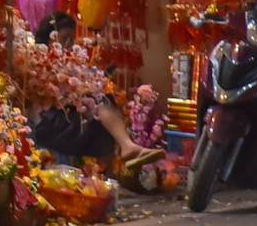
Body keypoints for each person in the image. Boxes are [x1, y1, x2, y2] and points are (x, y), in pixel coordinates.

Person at [24, 12, 164, 170]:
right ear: (49, 38)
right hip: (48, 123)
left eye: (72, 38)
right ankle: (124, 151)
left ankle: (114, 165)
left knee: (103, 106)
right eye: (64, 38)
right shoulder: (37, 60)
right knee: (99, 109)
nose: (69, 43)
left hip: (65, 118)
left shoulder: (69, 61)